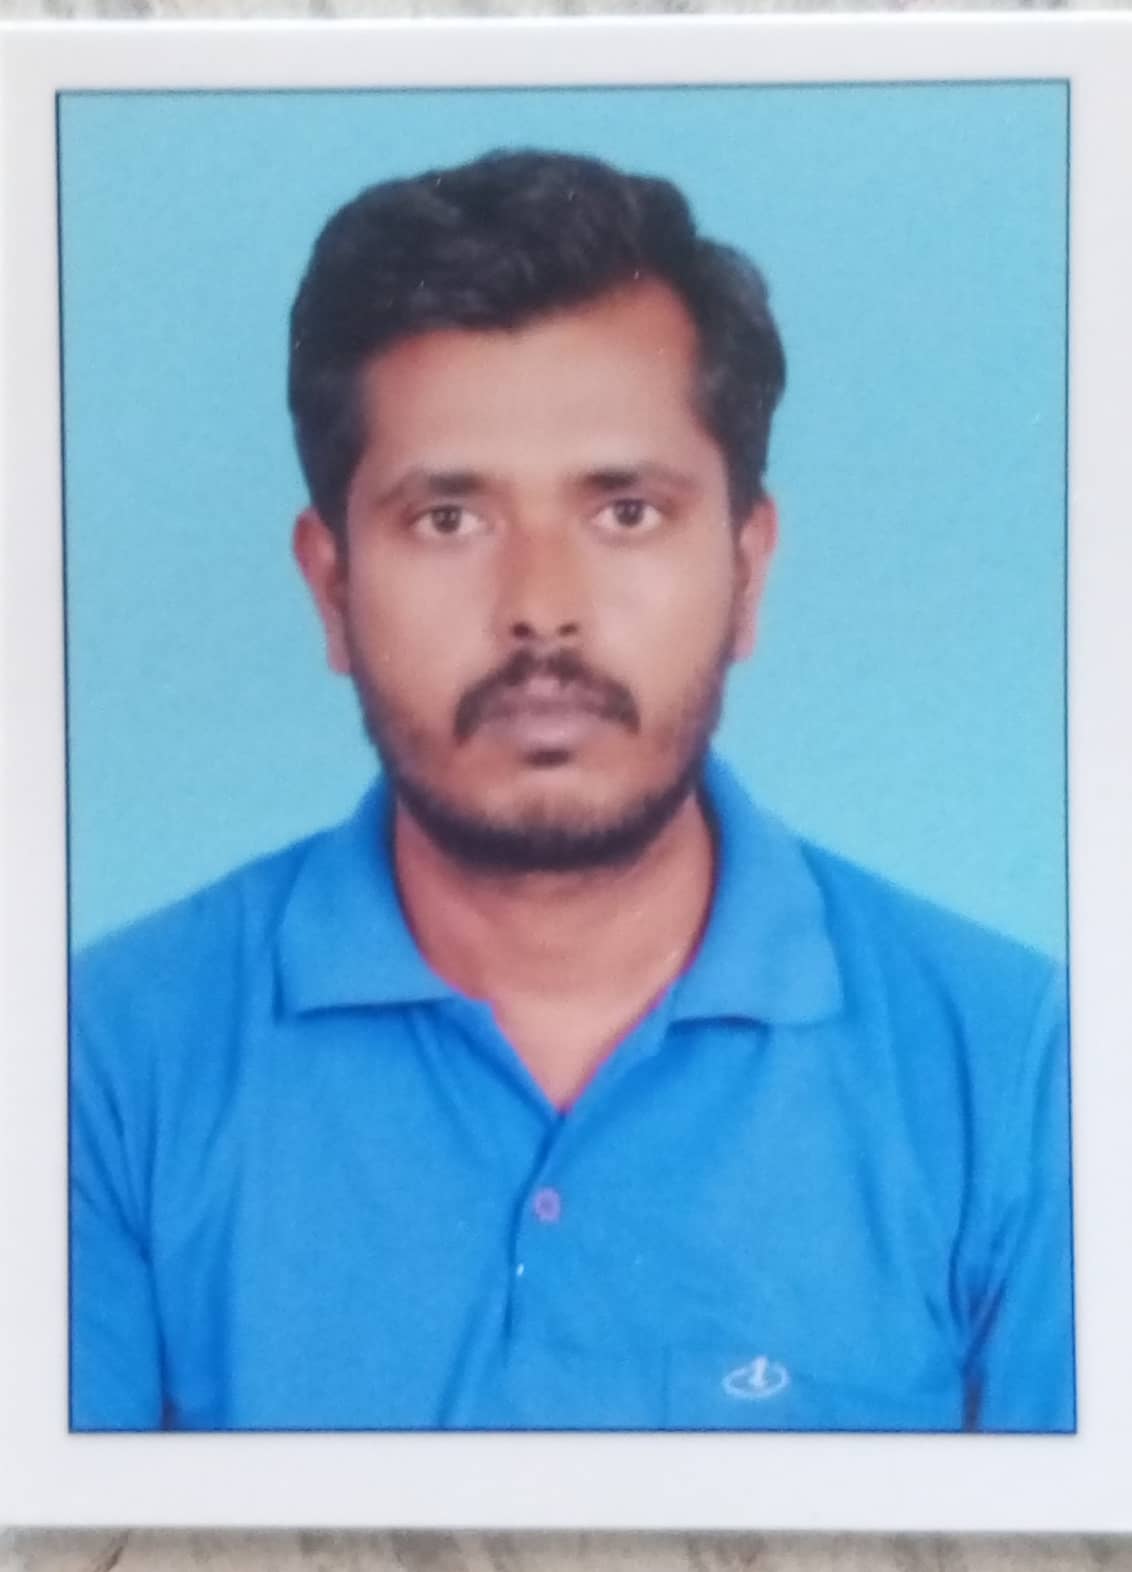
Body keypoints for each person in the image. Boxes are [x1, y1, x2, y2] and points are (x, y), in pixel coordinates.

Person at [70, 148, 1073, 1434]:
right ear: (331, 589)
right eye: (449, 519)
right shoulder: (96, 1065)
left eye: (627, 512)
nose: (541, 608)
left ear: (748, 570)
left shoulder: (1021, 1071)